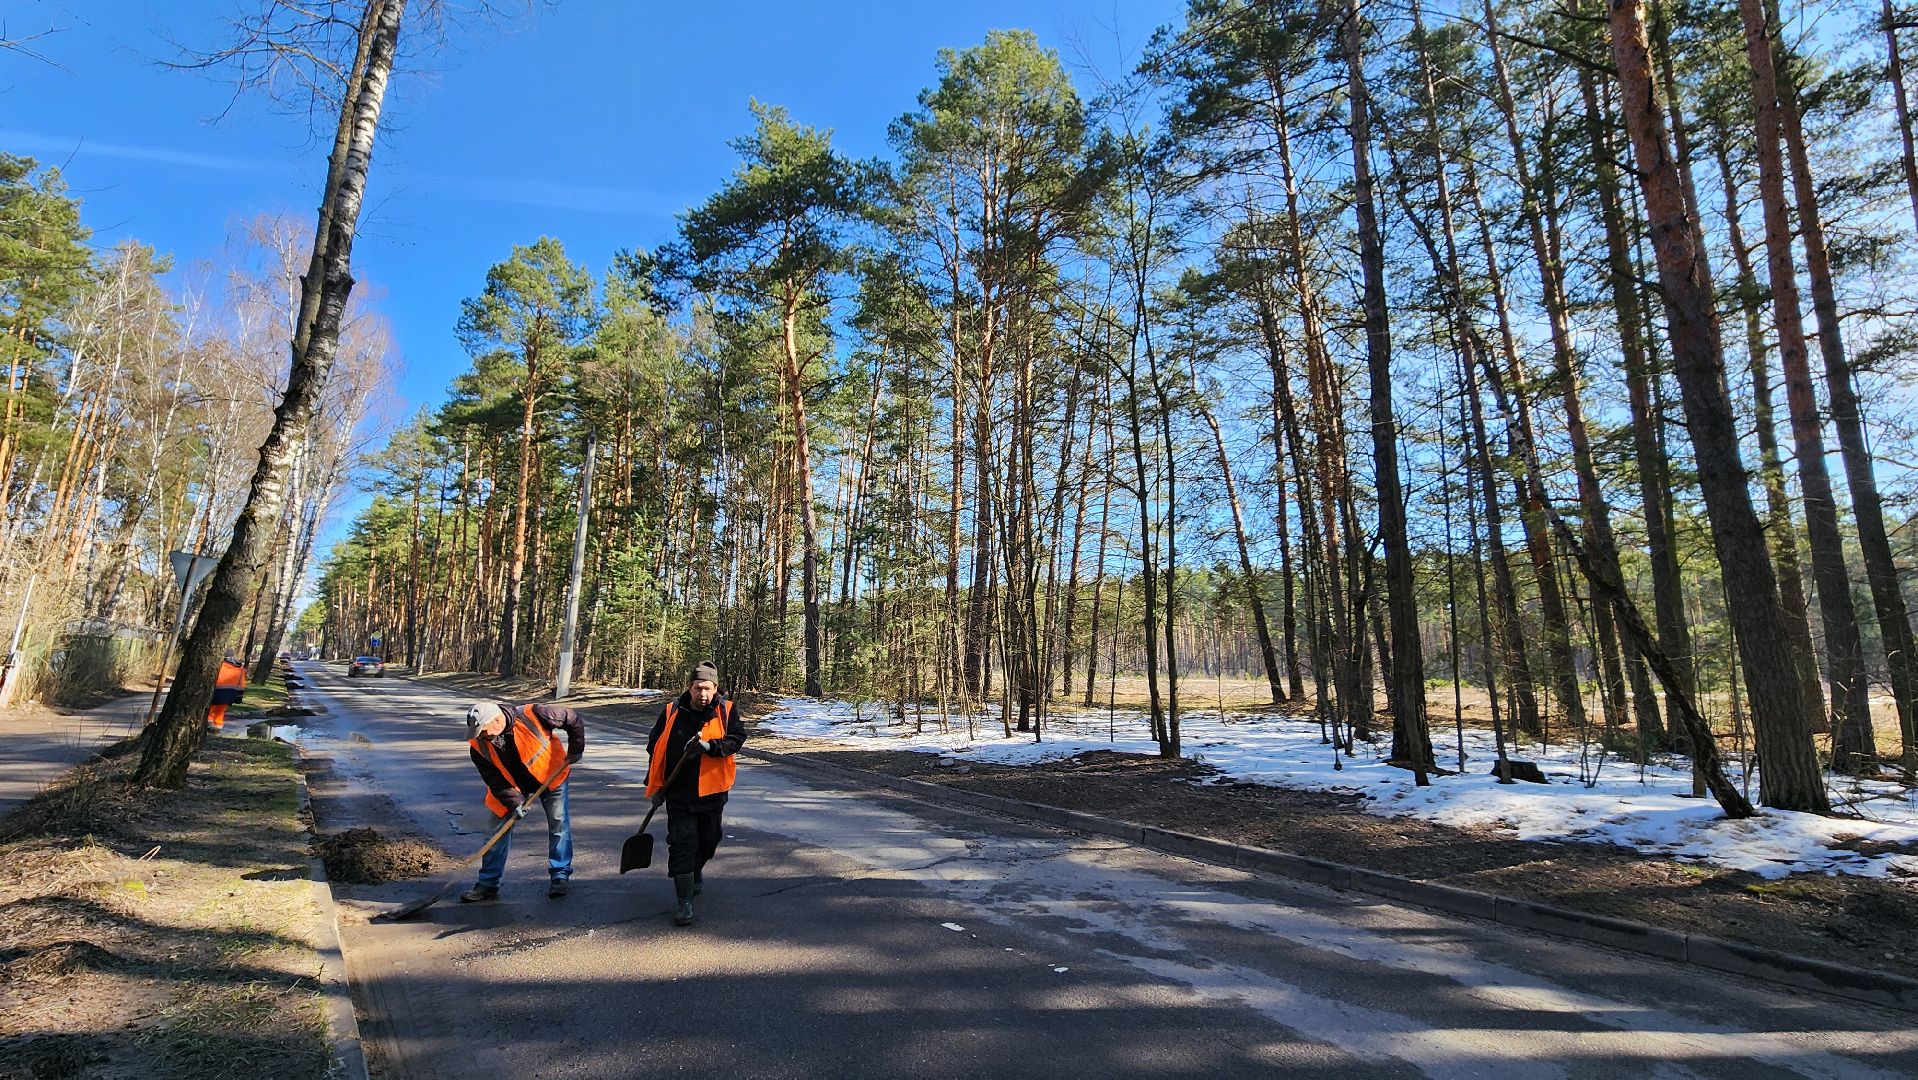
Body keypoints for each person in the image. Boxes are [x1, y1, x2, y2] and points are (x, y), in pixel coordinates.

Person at [645, 661, 746, 926]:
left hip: (712, 792)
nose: (703, 693)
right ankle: (684, 902)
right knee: (681, 843)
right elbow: (654, 749)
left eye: (708, 688)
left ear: (715, 688)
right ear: (689, 687)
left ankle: (696, 868)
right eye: (698, 687)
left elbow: (737, 739)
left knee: (709, 841)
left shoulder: (726, 710)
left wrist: (711, 747)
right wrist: (656, 787)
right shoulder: (671, 711)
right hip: (678, 793)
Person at [461, 700, 584, 901]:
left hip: (551, 776)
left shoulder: (534, 714)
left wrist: (576, 749)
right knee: (496, 831)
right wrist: (514, 802)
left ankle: (560, 876)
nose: (482, 737)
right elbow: (494, 780)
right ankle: (488, 884)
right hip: (511, 786)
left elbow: (572, 718)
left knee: (558, 824)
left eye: (483, 731)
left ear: (497, 720)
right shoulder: (478, 746)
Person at [207, 656, 248, 733]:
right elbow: (242, 685)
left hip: (217, 691)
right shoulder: (240, 668)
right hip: (230, 694)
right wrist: (239, 696)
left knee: (211, 710)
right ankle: (218, 727)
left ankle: (209, 726)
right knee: (220, 711)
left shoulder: (219, 665)